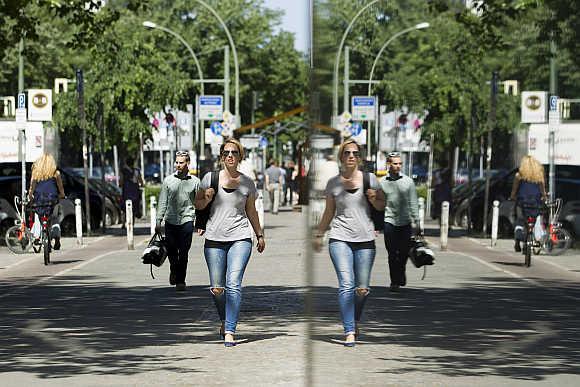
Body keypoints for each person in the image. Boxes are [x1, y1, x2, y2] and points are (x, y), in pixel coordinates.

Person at [194, 138, 265, 347]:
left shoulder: (247, 183)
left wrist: (259, 234)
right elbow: (197, 204)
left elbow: (251, 210)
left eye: (234, 152)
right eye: (226, 152)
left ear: (240, 156)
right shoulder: (209, 178)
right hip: (214, 238)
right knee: (217, 288)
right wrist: (205, 200)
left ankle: (230, 330)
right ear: (222, 156)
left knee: (233, 284)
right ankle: (224, 320)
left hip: (241, 238)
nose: (230, 155)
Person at [314, 140, 385, 347]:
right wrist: (319, 234)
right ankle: (349, 331)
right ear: (341, 157)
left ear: (360, 157)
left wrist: (374, 200)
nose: (351, 156)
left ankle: (354, 319)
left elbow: (382, 204)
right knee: (346, 285)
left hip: (365, 239)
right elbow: (328, 212)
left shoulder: (370, 179)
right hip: (340, 238)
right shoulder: (333, 183)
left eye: (355, 153)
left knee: (362, 289)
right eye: (347, 153)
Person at [155, 151, 200, 291]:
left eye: (181, 162)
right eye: (177, 162)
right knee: (172, 251)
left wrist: (200, 223)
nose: (178, 165)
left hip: (187, 220)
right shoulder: (168, 181)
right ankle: (174, 270)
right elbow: (163, 201)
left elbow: (199, 204)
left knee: (184, 252)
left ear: (187, 163)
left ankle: (181, 280)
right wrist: (158, 221)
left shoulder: (195, 182)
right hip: (170, 221)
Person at [380, 151, 419, 292]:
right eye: (395, 163)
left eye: (400, 163)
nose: (398, 166)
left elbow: (413, 202)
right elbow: (379, 205)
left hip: (405, 222)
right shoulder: (382, 183)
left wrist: (417, 222)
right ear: (389, 164)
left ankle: (401, 272)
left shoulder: (408, 182)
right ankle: (394, 281)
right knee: (392, 253)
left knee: (403, 252)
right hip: (389, 221)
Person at [509, 155, 547, 252]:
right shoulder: (539, 176)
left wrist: (512, 197)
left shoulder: (519, 175)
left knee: (520, 221)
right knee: (537, 220)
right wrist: (544, 198)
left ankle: (517, 241)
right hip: (535, 203)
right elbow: (543, 191)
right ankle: (536, 241)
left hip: (522, 203)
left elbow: (514, 190)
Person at [28, 153, 66, 250]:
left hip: (39, 199)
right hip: (52, 199)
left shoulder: (36, 173)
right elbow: (60, 187)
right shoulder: (56, 173)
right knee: (54, 218)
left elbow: (32, 187)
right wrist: (62, 195)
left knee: (38, 216)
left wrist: (30, 196)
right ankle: (56, 238)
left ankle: (37, 236)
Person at [120, 157, 144, 224]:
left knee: (125, 208)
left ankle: (123, 224)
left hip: (126, 192)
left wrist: (121, 185)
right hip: (135, 192)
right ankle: (132, 223)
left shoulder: (123, 171)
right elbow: (141, 182)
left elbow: (121, 182)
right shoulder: (136, 171)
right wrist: (140, 185)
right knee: (133, 208)